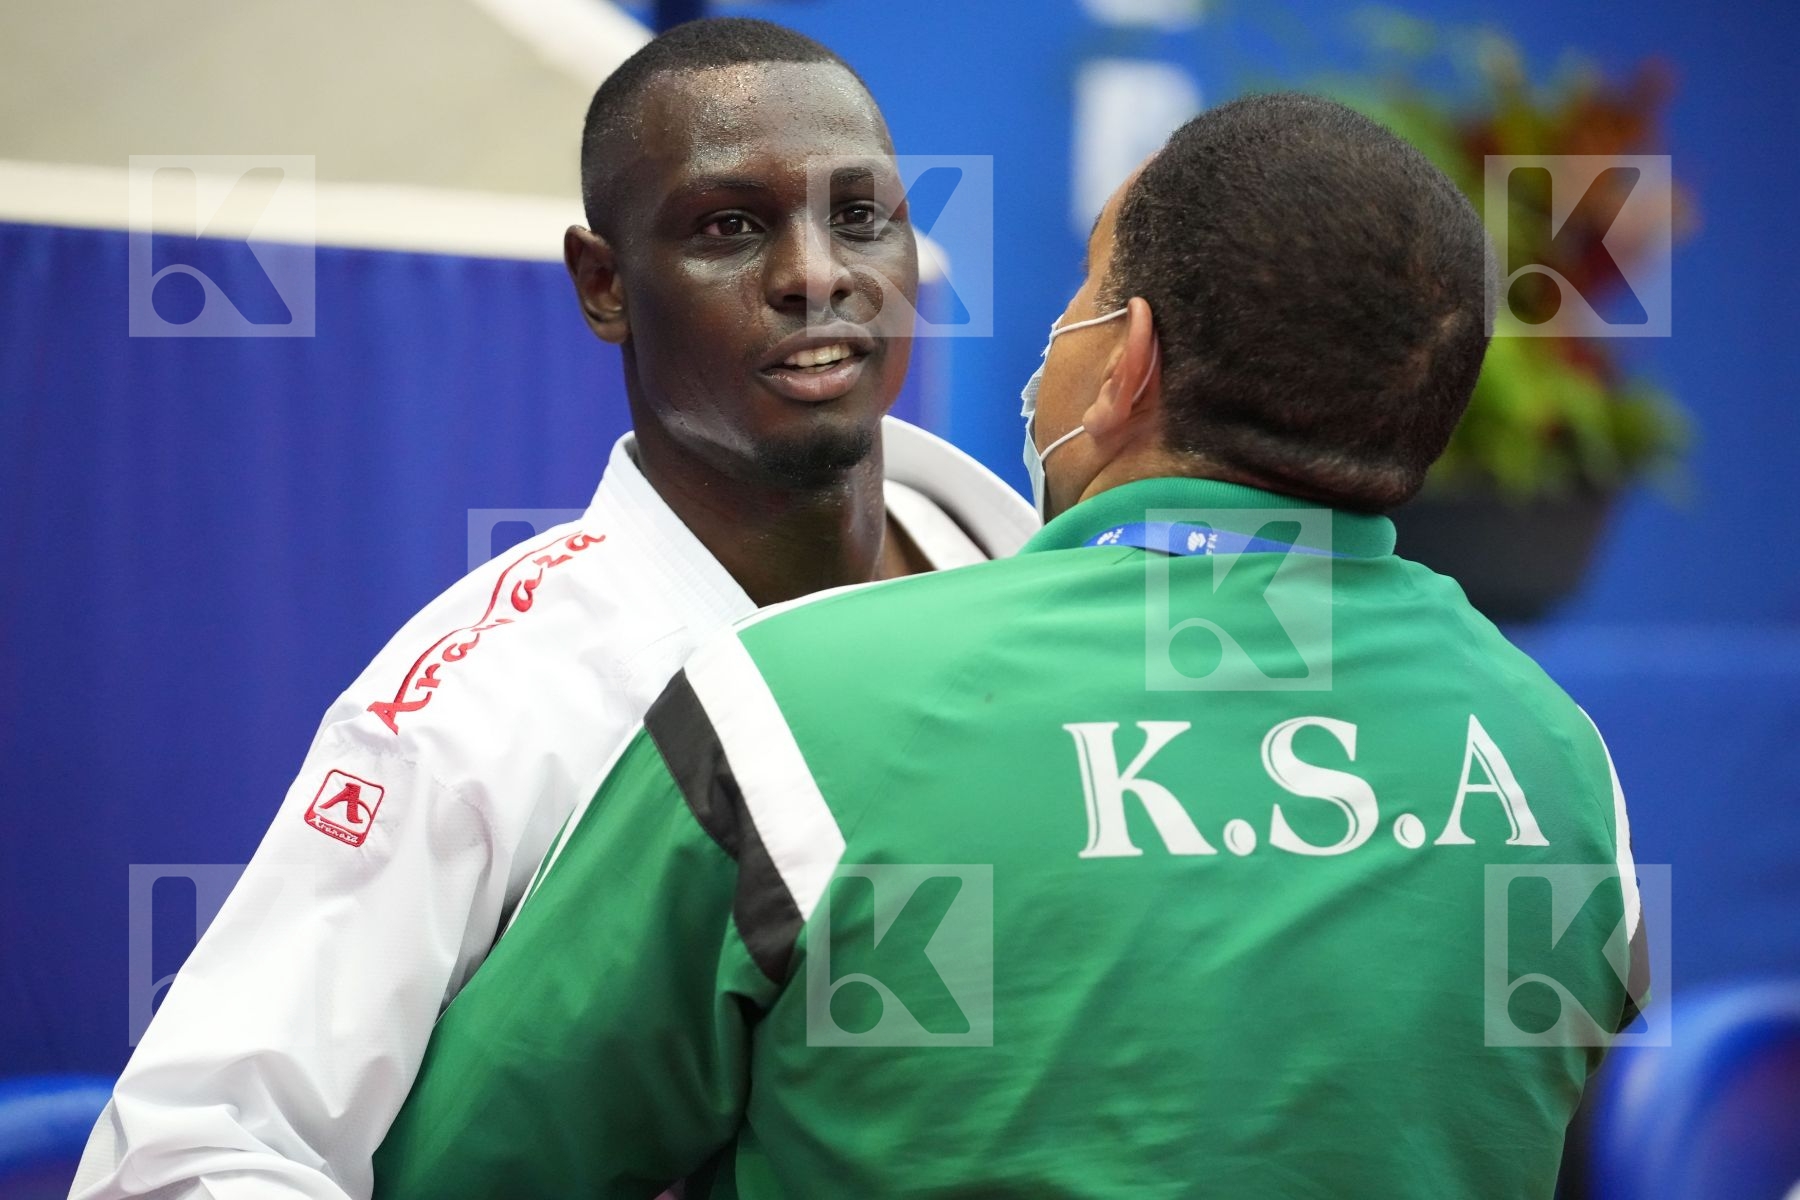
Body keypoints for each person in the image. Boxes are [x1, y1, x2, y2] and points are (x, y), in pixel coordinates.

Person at [372, 93, 1648, 1199]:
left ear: (1126, 364)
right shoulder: (1556, 760)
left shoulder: (786, 711)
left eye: (1084, 295)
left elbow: (468, 1171)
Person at [72, 18, 1034, 1200]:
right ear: (603, 286)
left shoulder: (1048, 617)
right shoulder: (479, 706)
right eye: (729, 226)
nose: (814, 275)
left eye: (859, 216)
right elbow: (193, 1153)